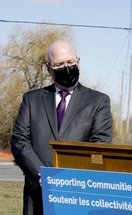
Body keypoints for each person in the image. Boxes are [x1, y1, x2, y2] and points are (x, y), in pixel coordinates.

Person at [11, 39, 113, 215]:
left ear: (78, 61)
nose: (66, 68)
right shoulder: (32, 100)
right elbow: (19, 141)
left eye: (70, 62)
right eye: (59, 64)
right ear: (48, 68)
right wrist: (41, 174)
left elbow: (100, 145)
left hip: (78, 197)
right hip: (36, 197)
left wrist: (68, 181)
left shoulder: (98, 101)